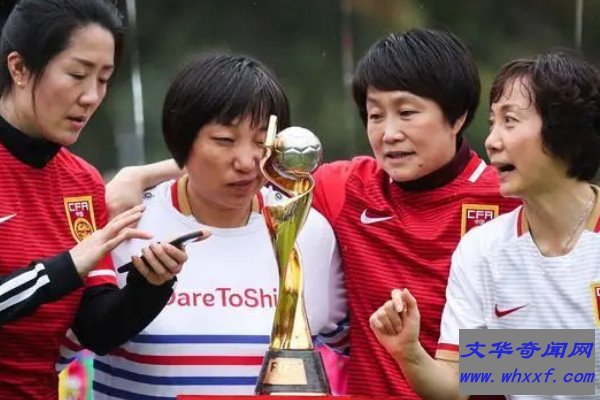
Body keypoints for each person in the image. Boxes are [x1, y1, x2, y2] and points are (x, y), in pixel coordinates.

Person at [106, 29, 520, 397]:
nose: (389, 133)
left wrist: (445, 365)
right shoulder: (347, 189)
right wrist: (140, 174)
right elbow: (250, 165)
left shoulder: (511, 201)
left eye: (407, 112)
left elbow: (559, 359)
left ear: (458, 116)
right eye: (375, 115)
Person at [92, 53, 348, 399]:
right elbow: (56, 349)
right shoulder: (127, 222)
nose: (246, 162)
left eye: (262, 142)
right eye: (225, 140)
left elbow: (367, 350)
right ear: (182, 138)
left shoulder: (309, 231)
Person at [370, 50, 600, 399]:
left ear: (565, 130)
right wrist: (411, 353)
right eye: (493, 122)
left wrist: (498, 364)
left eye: (510, 121)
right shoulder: (481, 249)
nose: (491, 141)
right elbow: (456, 384)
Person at [0, 1, 193, 398]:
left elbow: (97, 331)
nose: (91, 96)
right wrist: (64, 267)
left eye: (104, 79)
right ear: (18, 68)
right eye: (77, 75)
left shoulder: (81, 181)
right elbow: (67, 270)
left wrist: (150, 284)